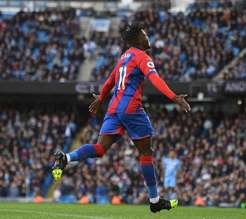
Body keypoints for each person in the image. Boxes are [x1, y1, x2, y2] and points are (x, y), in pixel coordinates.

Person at [52, 23, 191, 213]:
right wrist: (174, 97)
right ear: (136, 39)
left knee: (100, 148)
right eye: (144, 34)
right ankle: (154, 200)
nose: (147, 36)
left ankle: (65, 158)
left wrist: (101, 98)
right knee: (146, 152)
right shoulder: (142, 56)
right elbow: (154, 78)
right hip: (131, 107)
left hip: (113, 108)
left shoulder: (124, 57)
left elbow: (110, 81)